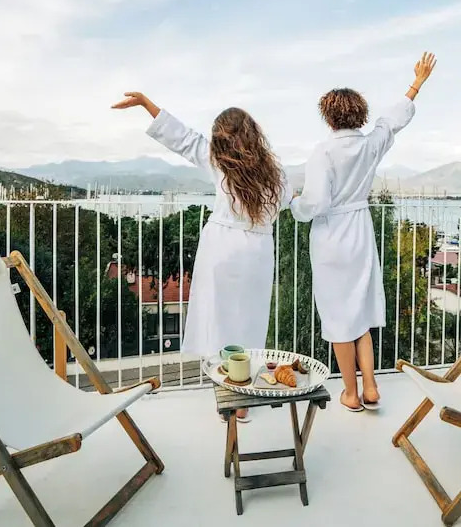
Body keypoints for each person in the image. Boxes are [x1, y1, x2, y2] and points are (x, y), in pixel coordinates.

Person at [113, 92, 290, 422]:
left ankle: (227, 394)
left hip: (221, 248)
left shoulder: (219, 164)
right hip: (257, 253)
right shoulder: (276, 174)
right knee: (250, 321)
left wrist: (147, 104)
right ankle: (242, 400)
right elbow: (288, 202)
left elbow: (184, 139)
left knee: (219, 321)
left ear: (222, 138)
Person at [290, 52, 437, 412]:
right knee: (359, 313)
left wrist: (295, 205)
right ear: (360, 114)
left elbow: (315, 203)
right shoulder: (370, 145)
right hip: (360, 232)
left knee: (338, 317)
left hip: (331, 238)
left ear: (328, 117)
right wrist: (417, 83)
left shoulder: (323, 152)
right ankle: (371, 387)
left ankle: (351, 393)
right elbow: (393, 121)